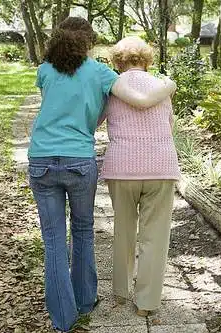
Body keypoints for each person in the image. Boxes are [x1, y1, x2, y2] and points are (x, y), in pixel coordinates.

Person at [28, 18, 176, 332]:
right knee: (86, 232)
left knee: (55, 241)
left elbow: (68, 111)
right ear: (89, 43)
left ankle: (68, 317)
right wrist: (169, 85)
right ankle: (105, 301)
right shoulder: (103, 75)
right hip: (95, 161)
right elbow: (153, 112)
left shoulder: (47, 71)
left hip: (47, 158)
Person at [99, 36, 181, 317]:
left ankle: (121, 293)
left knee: (123, 230)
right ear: (147, 60)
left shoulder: (112, 87)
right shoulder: (161, 86)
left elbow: (96, 120)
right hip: (161, 167)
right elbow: (169, 126)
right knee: (155, 237)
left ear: (117, 62)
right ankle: (146, 303)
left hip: (122, 168)